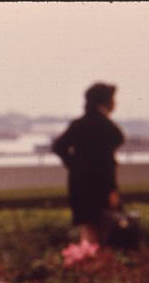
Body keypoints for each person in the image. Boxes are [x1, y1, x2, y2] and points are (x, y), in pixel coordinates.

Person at [52, 82, 125, 244]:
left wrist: (75, 166)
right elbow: (108, 160)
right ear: (105, 102)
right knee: (106, 229)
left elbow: (58, 146)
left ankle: (87, 262)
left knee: (87, 227)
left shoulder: (78, 124)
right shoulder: (107, 127)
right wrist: (112, 190)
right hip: (102, 185)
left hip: (79, 184)